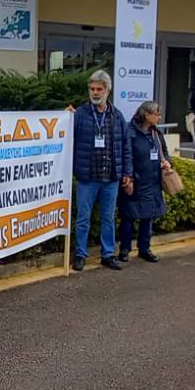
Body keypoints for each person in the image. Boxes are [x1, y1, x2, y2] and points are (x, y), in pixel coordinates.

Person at [70, 70, 132, 272]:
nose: (95, 93)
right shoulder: (79, 114)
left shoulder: (117, 116)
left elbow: (126, 146)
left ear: (107, 91)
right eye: (92, 89)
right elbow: (66, 136)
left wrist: (127, 173)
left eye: (99, 89)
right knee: (83, 219)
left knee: (108, 218)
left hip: (110, 177)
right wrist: (65, 117)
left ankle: (107, 255)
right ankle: (80, 255)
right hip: (87, 177)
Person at [118, 100, 169, 264]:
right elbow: (126, 156)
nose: (159, 117)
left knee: (148, 217)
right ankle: (124, 249)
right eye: (157, 114)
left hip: (152, 182)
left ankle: (145, 248)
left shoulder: (156, 134)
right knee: (129, 217)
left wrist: (167, 163)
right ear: (146, 115)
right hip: (135, 181)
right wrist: (129, 177)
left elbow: (165, 153)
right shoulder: (130, 131)